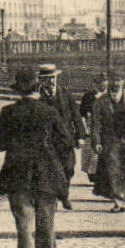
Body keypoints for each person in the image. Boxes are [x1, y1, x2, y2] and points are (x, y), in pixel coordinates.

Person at [0, 67, 75, 248]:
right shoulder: (50, 112)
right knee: (46, 223)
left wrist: (15, 143)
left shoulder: (8, 112)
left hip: (18, 174)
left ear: (19, 90)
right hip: (47, 174)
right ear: (39, 88)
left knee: (24, 225)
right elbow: (65, 143)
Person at [91, 75, 125, 213]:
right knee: (115, 172)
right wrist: (97, 141)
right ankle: (119, 202)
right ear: (108, 84)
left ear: (122, 83)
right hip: (111, 140)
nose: (115, 85)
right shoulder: (100, 102)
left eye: (118, 82)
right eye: (113, 82)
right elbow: (96, 124)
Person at [37, 63, 83, 210]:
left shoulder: (65, 94)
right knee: (50, 170)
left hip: (66, 139)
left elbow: (76, 115)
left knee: (68, 168)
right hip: (47, 140)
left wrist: (81, 135)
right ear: (41, 80)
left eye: (53, 78)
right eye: (47, 79)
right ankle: (55, 199)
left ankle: (64, 194)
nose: (51, 81)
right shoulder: (37, 97)